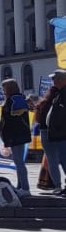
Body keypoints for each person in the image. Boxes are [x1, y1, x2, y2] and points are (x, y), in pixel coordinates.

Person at [0, 78, 31, 194]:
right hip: (17, 134)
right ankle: (20, 186)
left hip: (17, 134)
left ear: (10, 88)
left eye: (4, 88)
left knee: (19, 162)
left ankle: (25, 188)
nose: (3, 91)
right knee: (17, 161)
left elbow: (7, 119)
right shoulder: (15, 99)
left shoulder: (15, 100)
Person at [40, 68, 66, 196]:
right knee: (53, 160)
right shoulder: (55, 92)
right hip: (51, 131)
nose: (53, 81)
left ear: (62, 80)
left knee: (63, 159)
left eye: (55, 79)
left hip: (60, 132)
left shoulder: (62, 94)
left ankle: (59, 185)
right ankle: (57, 185)